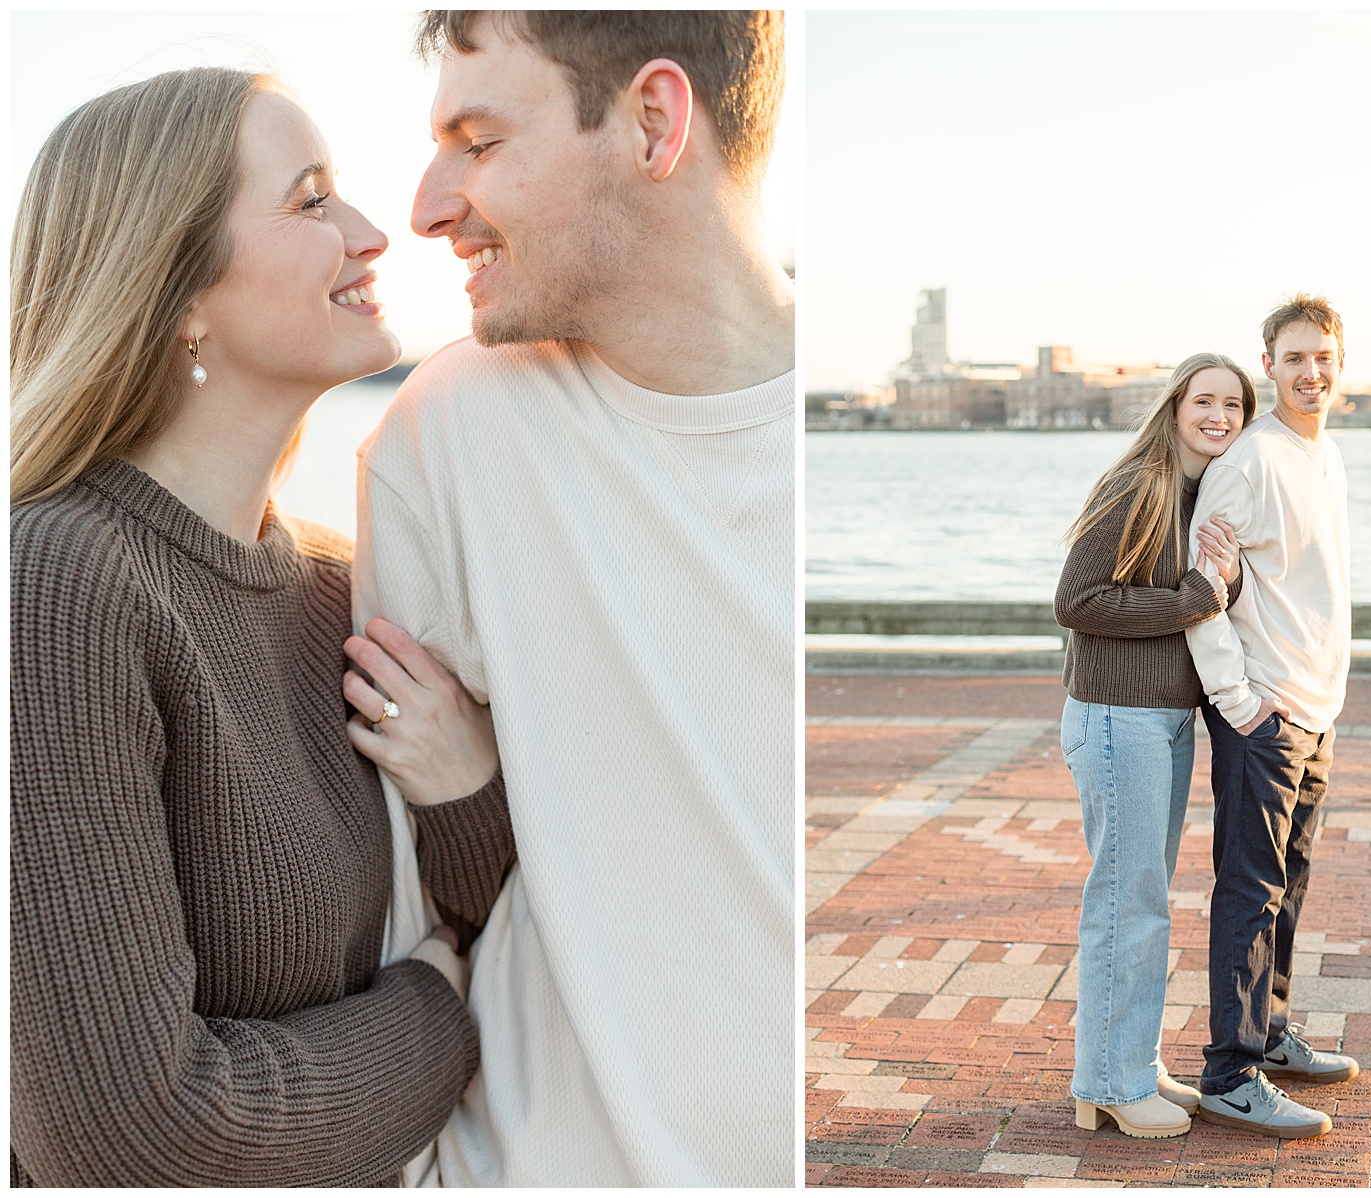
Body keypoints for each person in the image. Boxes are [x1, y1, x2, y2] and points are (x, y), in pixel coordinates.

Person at [9, 67, 507, 1186]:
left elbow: (489, 925)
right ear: (175, 288)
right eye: (311, 198)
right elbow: (127, 1144)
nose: (375, 234)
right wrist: (435, 1016)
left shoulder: (342, 581)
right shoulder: (53, 585)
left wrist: (464, 784)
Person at [353, 11, 794, 1187]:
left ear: (654, 121)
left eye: (479, 142)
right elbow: (406, 922)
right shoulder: (448, 434)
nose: (427, 206)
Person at [1055, 354, 1254, 1138]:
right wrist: (1197, 597)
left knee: (1142, 900)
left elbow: (1199, 600)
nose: (1221, 416)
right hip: (1117, 719)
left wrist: (1217, 588)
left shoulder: (1197, 492)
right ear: (1174, 408)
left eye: (1234, 405)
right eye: (1205, 400)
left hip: (1162, 719)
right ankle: (1107, 1080)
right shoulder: (1140, 483)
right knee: (1124, 903)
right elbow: (1078, 600)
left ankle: (1127, 1062)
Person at [1184, 294, 1359, 1139]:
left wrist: (1323, 698)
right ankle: (1230, 1072)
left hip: (1314, 710)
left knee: (1288, 883)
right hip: (1265, 717)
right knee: (1250, 890)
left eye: (1322, 357)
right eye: (1294, 358)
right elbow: (1200, 594)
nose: (1310, 372)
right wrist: (1240, 703)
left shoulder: (1322, 455)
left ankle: (1271, 1032)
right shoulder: (1249, 461)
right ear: (1269, 365)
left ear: (1339, 364)